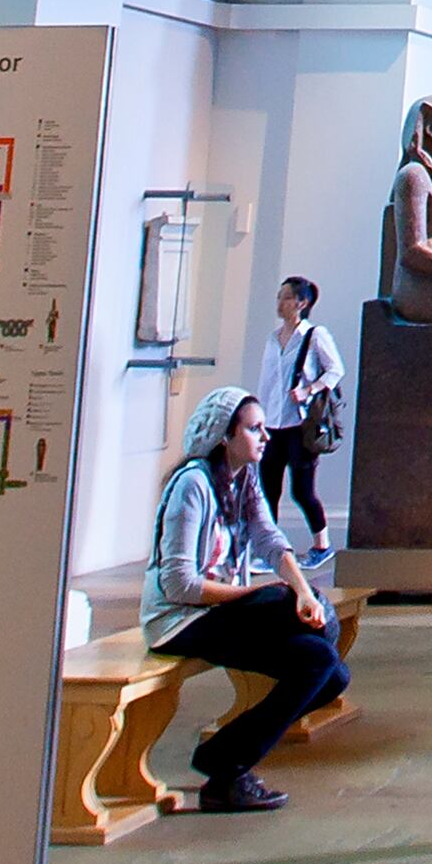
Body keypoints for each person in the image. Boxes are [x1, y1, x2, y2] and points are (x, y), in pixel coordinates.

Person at [142, 387, 343, 812]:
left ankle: (222, 761)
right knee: (288, 611)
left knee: (328, 668)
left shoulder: (243, 478)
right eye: (254, 429)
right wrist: (260, 594)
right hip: (180, 621)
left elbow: (270, 539)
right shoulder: (192, 486)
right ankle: (226, 768)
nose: (266, 436)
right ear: (224, 436)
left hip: (223, 614)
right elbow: (178, 585)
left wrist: (304, 592)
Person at [258, 276, 345, 559]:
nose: (279, 303)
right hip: (273, 423)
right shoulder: (274, 338)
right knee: (268, 489)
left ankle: (322, 545)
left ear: (301, 302)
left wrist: (309, 389)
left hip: (300, 424)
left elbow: (335, 370)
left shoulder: (314, 335)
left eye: (285, 297)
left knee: (301, 490)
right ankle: (270, 550)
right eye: (279, 297)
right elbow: (267, 382)